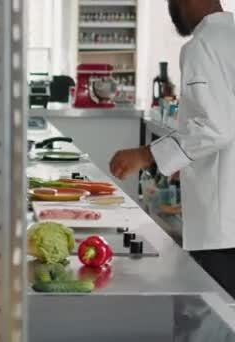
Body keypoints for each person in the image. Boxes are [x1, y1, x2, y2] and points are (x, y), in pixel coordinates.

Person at [109, 0, 235, 297]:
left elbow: (214, 128)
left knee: (212, 323)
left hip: (223, 230)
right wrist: (186, 164)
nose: (170, 8)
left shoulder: (201, 45)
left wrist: (145, 154)